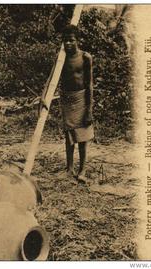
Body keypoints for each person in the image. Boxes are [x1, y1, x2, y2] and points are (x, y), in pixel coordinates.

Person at [42, 24, 94, 183]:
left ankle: (82, 170)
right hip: (66, 98)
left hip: (81, 98)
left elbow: (89, 83)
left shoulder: (85, 57)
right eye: (65, 40)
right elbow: (51, 78)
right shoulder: (61, 58)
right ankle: (69, 168)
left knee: (82, 137)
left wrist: (89, 109)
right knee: (69, 135)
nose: (68, 44)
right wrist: (43, 97)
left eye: (71, 40)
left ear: (77, 40)